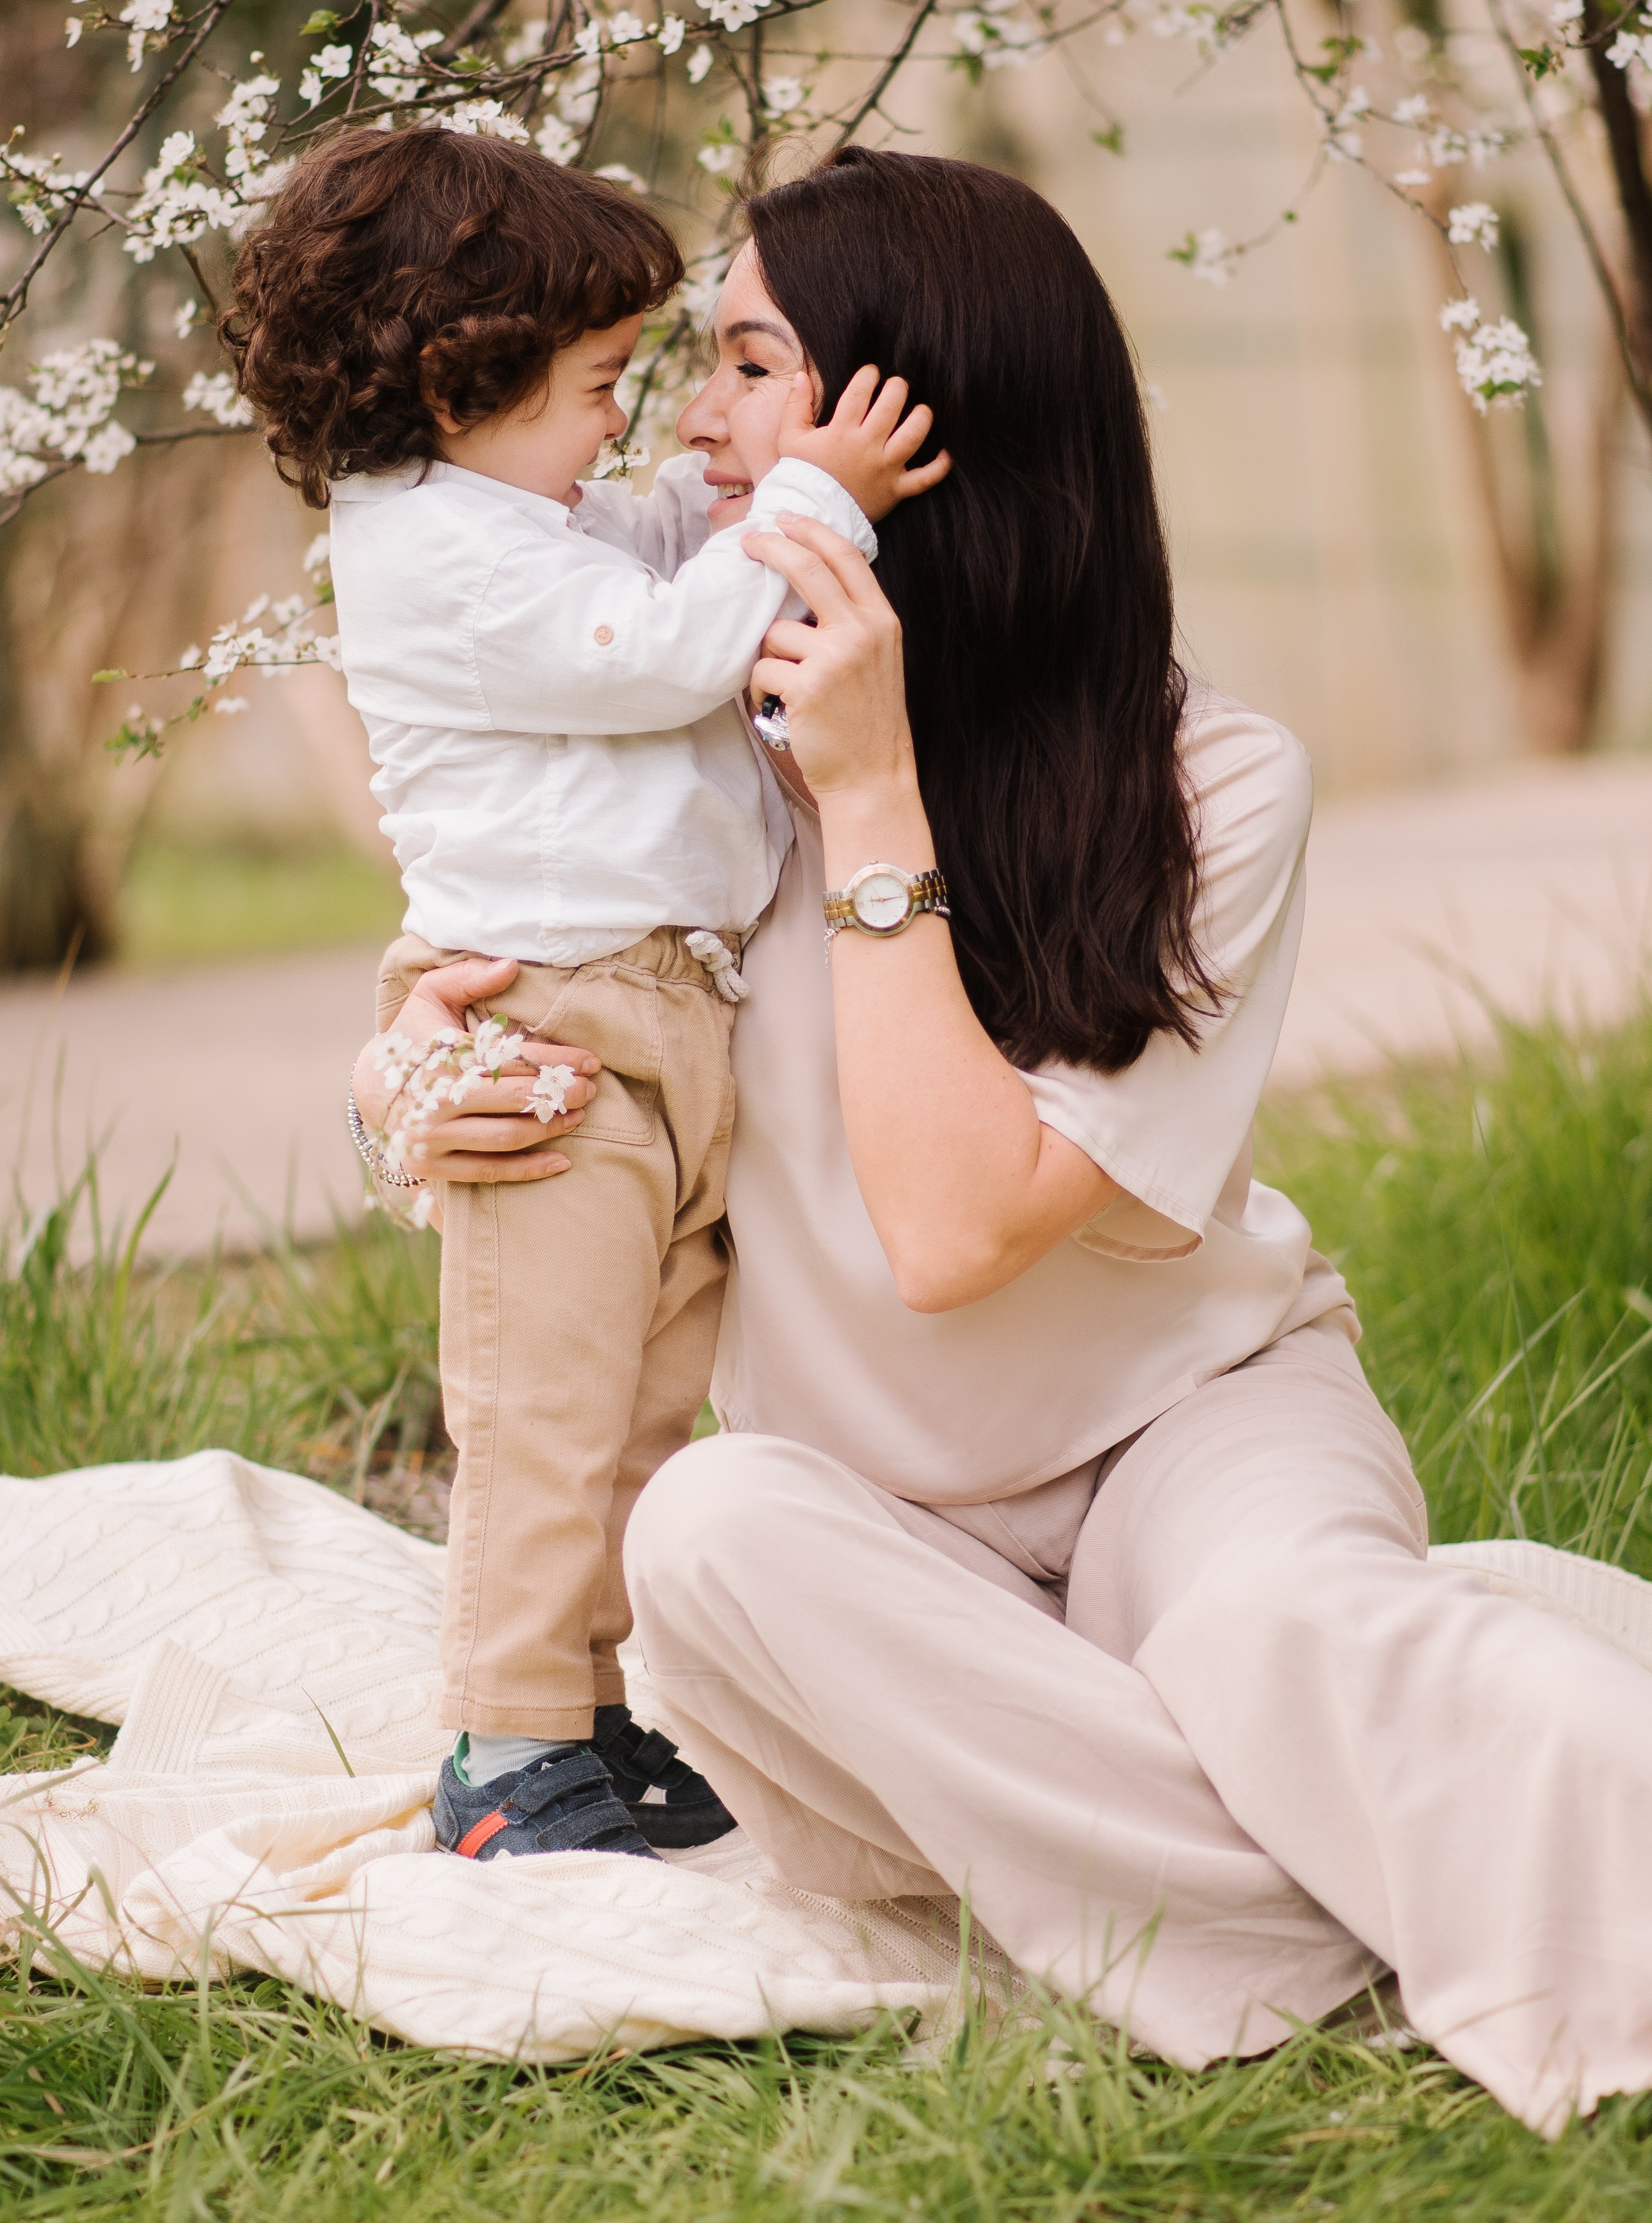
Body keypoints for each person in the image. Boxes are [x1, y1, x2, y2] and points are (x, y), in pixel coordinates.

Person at [349, 147, 1652, 2132]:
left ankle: (1235, 1884)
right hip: (865, 1529)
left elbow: (960, 1234)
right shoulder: (681, 769)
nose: (697, 420)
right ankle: (1337, 1882)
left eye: (757, 364)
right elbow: (478, 999)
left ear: (918, 427)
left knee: (1287, 1624)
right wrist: (417, 1087)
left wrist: (873, 804)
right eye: (694, 365)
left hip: (1186, 1429)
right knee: (702, 1528)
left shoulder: (1217, 782)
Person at [228, 127, 945, 1863]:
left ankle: (587, 1712)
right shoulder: (428, 551)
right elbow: (673, 646)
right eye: (603, 385)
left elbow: (664, 544)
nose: (633, 422)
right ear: (463, 381)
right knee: (547, 1408)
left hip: (654, 1015)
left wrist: (755, 485)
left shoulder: (514, 514)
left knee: (640, 1404)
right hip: (554, 1020)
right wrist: (813, 497)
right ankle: (503, 1741)